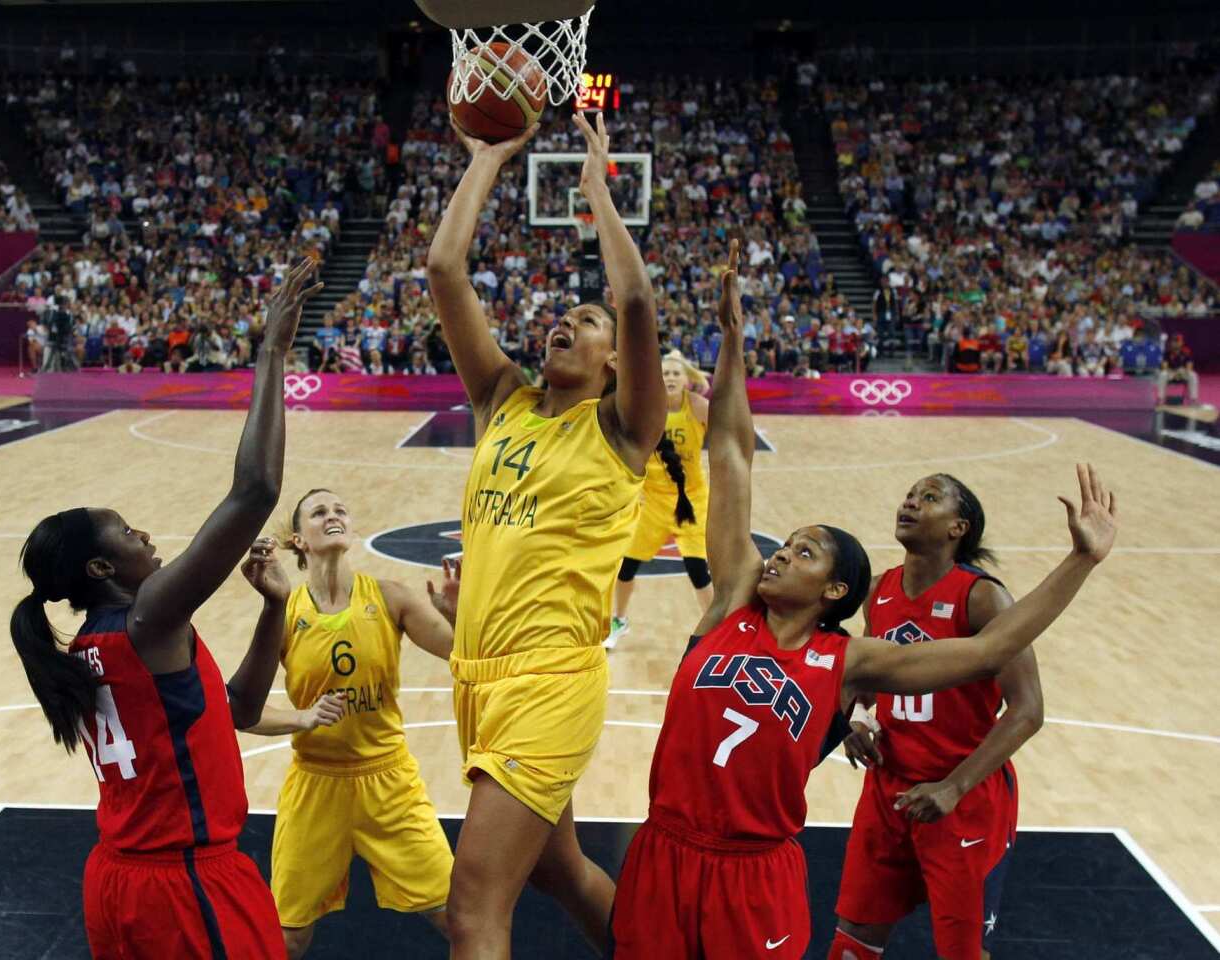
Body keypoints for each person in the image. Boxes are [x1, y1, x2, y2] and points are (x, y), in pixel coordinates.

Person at [609, 240, 1118, 960]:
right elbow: (728, 451)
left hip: (755, 872)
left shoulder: (846, 659)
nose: (780, 553)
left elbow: (988, 652)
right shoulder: (729, 605)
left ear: (834, 591)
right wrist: (729, 341)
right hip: (665, 849)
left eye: (804, 551)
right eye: (784, 543)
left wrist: (1079, 561)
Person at [7, 258, 321, 959]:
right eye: (126, 531)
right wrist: (270, 351)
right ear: (100, 568)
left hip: (119, 883)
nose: (143, 534)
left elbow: (237, 711)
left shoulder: (97, 642)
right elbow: (256, 490)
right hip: (184, 886)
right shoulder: (148, 619)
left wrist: (274, 610)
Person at [426, 112, 667, 959]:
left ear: (613, 360)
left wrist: (600, 197)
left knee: (472, 908)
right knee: (556, 871)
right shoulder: (503, 401)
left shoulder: (626, 427)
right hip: (477, 675)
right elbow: (443, 268)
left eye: (586, 320)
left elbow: (635, 300)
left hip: (549, 681)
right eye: (561, 315)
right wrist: (486, 161)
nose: (567, 320)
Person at [829, 474, 1044, 960]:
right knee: (853, 935)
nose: (910, 502)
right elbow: (865, 679)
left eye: (929, 498)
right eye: (909, 495)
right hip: (889, 790)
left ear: (957, 528)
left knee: (961, 952)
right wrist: (856, 720)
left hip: (962, 797)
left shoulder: (983, 597)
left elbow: (1029, 710)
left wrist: (953, 787)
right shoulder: (879, 589)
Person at [246, 489, 460, 959]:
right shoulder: (284, 613)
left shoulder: (391, 597)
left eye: (340, 509)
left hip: (389, 782)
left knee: (459, 921)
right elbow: (243, 710)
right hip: (316, 786)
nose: (333, 515)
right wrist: (302, 718)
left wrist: (461, 614)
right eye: (319, 512)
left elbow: (462, 655)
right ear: (300, 540)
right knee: (286, 935)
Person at [606, 349, 713, 649]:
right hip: (652, 500)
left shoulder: (699, 407)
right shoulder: (647, 408)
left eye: (676, 373)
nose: (670, 378)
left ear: (686, 379)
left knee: (697, 570)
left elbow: (723, 442)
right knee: (627, 566)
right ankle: (619, 620)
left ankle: (714, 629)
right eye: (665, 373)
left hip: (690, 500)